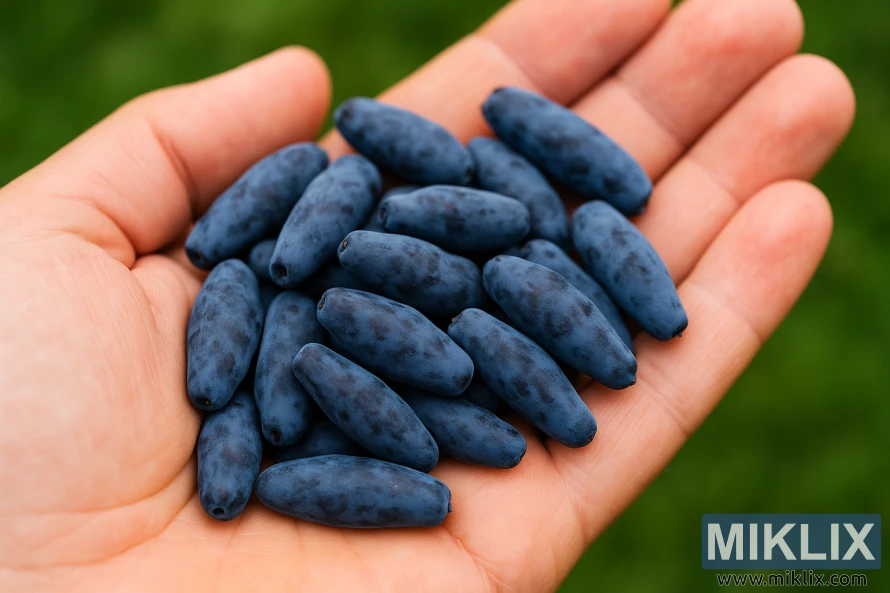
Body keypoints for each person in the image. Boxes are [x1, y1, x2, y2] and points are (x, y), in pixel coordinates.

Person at [0, 0, 854, 590]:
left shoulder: (424, 277)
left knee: (472, 310)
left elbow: (450, 320)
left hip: (421, 348)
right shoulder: (302, 307)